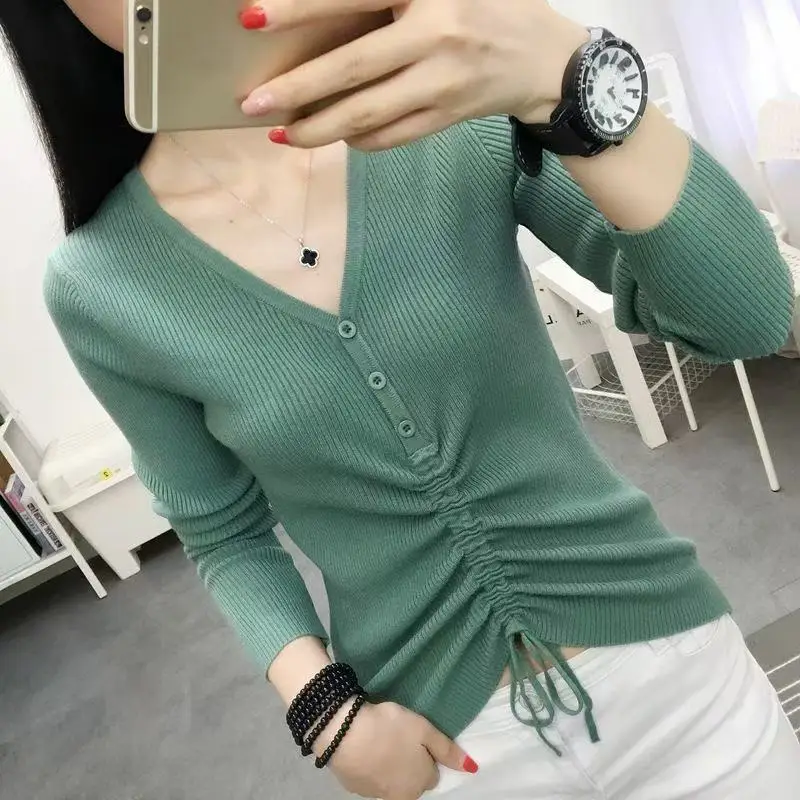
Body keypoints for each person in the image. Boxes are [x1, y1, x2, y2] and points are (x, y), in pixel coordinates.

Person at [3, 0, 800, 797]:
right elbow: (222, 531)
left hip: (678, 677)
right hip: (449, 753)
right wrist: (325, 714)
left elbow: (746, 317)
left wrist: (566, 71)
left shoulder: (450, 112)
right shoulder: (100, 284)